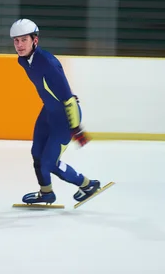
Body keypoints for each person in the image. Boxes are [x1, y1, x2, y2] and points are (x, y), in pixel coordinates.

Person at [11, 18, 100, 205]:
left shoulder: (48, 64)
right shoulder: (23, 60)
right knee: (37, 153)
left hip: (65, 118)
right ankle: (46, 193)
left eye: (24, 40)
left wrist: (76, 128)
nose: (19, 45)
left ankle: (87, 184)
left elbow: (68, 98)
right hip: (48, 112)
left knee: (49, 163)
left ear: (35, 40)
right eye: (16, 41)